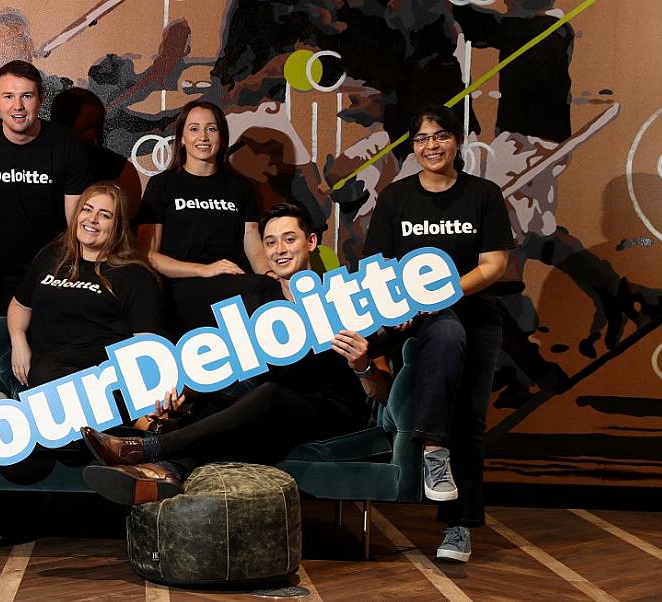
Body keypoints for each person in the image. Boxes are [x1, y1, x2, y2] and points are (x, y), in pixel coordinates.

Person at [81, 202, 389, 503]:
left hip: (333, 411)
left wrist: (362, 365)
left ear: (311, 242)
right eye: (270, 242)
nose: (279, 249)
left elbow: (383, 392)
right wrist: (185, 396)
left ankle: (148, 449)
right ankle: (166, 472)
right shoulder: (258, 297)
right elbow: (230, 365)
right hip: (271, 413)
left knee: (269, 394)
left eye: (289, 239)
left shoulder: (345, 298)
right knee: (222, 401)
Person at [362, 105, 514, 563]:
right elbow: (377, 269)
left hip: (474, 316)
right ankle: (432, 448)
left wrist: (442, 294)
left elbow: (494, 264)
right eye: (423, 138)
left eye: (441, 136)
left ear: (458, 141)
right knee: (444, 332)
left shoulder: (483, 195)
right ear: (413, 146)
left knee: (469, 420)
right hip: (414, 319)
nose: (432, 146)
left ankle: (458, 527)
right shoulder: (395, 199)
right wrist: (404, 305)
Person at [0, 59, 90, 319]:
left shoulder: (67, 145)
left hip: (54, 283)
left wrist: (78, 285)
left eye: (27, 96)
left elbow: (77, 225)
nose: (18, 106)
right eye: (8, 96)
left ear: (41, 98)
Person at [134, 100, 272, 335]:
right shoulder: (162, 185)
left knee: (267, 289)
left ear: (222, 137)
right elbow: (147, 255)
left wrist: (269, 276)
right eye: (194, 129)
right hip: (181, 286)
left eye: (212, 128)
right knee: (253, 292)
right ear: (183, 139)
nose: (203, 137)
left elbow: (252, 241)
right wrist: (203, 269)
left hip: (233, 281)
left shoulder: (240, 187)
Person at [8, 183, 161, 392]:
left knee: (46, 374)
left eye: (105, 215)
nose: (92, 219)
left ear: (118, 226)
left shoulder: (135, 275)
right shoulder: (51, 256)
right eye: (87, 209)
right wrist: (18, 341)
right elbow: (19, 305)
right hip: (47, 376)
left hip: (102, 374)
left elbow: (145, 344)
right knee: (45, 373)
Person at [49, 87, 142, 215]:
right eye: (86, 128)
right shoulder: (36, 166)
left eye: (98, 126)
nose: (94, 135)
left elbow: (126, 224)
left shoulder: (120, 170)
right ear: (62, 127)